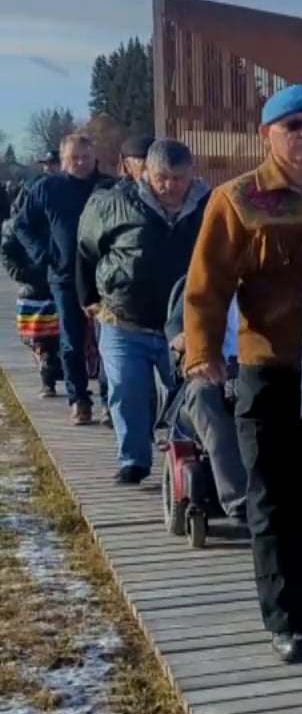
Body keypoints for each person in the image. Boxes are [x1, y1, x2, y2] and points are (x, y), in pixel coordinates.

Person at [183, 85, 302, 663]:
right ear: (267, 135)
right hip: (271, 364)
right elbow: (207, 287)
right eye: (295, 126)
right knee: (276, 498)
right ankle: (288, 620)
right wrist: (202, 350)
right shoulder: (238, 200)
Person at [75, 139, 210, 483]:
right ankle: (133, 459)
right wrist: (87, 297)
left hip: (183, 324)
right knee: (126, 390)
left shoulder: (210, 205)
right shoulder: (113, 203)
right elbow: (86, 249)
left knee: (189, 392)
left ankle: (186, 458)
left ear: (192, 174)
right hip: (124, 319)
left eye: (179, 178)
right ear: (145, 172)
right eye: (162, 177)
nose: (170, 186)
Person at [14, 134, 101, 424]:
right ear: (63, 161)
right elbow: (23, 226)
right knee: (72, 340)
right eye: (73, 158)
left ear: (93, 158)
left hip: (105, 276)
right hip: (64, 275)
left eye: (84, 158)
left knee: (109, 341)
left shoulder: (107, 187)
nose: (79, 163)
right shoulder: (48, 188)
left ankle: (112, 400)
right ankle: (79, 399)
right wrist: (42, 254)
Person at [165, 280, 246, 520]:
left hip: (263, 368)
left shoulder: (280, 275)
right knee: (203, 394)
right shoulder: (204, 278)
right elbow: (176, 333)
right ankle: (239, 499)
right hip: (214, 370)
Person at [1, 213, 63, 399]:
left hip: (42, 286)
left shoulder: (16, 223)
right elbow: (7, 251)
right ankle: (50, 377)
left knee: (45, 339)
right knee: (43, 339)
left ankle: (49, 378)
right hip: (40, 287)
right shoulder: (52, 215)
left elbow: (6, 251)